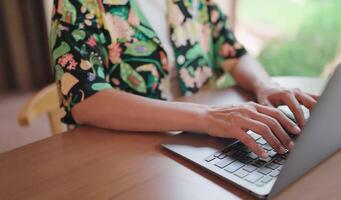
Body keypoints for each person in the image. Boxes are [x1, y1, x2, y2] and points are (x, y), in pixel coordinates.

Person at [50, 0, 318, 159]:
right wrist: (209, 117)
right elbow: (86, 99)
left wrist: (265, 84)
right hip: (127, 151)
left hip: (197, 145)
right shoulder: (79, 4)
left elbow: (231, 51)